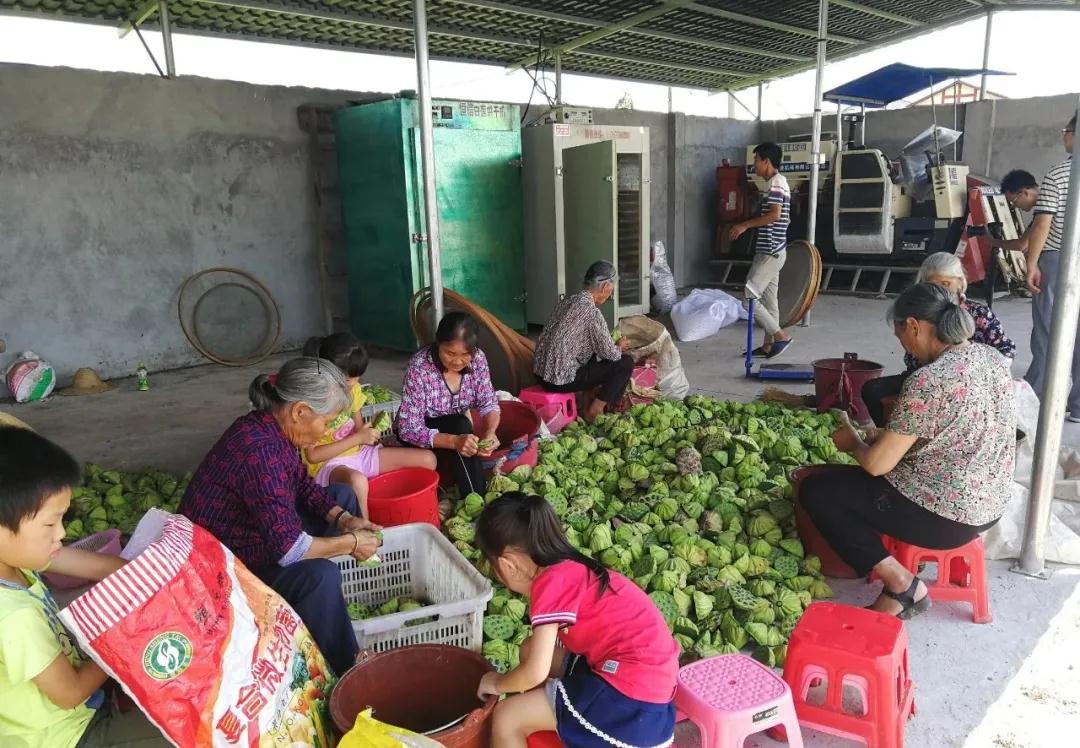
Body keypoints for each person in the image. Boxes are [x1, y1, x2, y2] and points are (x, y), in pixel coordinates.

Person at [801, 284, 1015, 619]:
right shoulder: (990, 359)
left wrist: (853, 442)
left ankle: (902, 585)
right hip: (992, 504)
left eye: (901, 335)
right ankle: (899, 582)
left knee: (819, 491)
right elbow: (957, 429)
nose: (904, 345)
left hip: (945, 518)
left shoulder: (929, 380)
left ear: (914, 325)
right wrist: (887, 435)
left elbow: (875, 465)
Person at [179, 357, 381, 676]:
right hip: (225, 564)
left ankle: (330, 613)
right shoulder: (260, 453)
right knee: (320, 577)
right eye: (327, 422)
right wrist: (350, 543)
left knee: (342, 496)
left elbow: (301, 483)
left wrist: (344, 519)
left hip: (254, 530)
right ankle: (347, 668)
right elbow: (288, 550)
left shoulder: (271, 429)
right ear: (300, 411)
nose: (328, 431)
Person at [0, 426, 170, 747]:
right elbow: (71, 693)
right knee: (184, 734)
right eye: (50, 523)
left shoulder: (17, 558)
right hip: (68, 736)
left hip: (81, 706)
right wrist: (119, 638)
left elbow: (101, 565)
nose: (61, 533)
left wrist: (155, 584)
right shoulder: (13, 617)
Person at [474, 492, 678, 748]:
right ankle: (553, 718)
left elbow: (535, 673)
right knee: (528, 648)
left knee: (507, 716)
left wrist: (495, 682)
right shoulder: (570, 568)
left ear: (508, 564)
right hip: (651, 687)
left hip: (628, 705)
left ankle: (539, 719)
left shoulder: (548, 585)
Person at [860, 252, 1015, 427]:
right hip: (926, 375)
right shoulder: (918, 316)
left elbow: (1005, 350)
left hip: (970, 379)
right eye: (935, 285)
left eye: (946, 284)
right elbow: (913, 358)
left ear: (961, 282)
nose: (943, 289)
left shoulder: (979, 315)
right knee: (874, 390)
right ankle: (888, 434)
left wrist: (972, 373)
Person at [301, 333, 436, 519]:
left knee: (428, 460)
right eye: (348, 380)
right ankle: (366, 529)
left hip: (360, 453)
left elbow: (358, 427)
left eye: (357, 379)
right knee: (358, 481)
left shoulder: (353, 389)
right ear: (326, 372)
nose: (354, 385)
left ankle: (395, 507)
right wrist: (357, 439)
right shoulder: (312, 402)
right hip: (328, 465)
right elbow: (313, 455)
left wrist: (370, 433)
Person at [396, 312, 501, 496]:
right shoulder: (420, 367)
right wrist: (454, 441)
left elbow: (488, 403)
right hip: (421, 436)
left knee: (461, 425)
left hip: (457, 430)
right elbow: (408, 429)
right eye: (450, 353)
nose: (457, 361)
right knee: (459, 425)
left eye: (465, 355)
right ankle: (476, 498)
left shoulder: (478, 360)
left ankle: (475, 498)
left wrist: (491, 432)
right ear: (438, 343)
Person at [533, 260, 635, 422]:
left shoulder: (567, 302)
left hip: (540, 374)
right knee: (625, 363)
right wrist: (619, 346)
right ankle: (596, 409)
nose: (611, 294)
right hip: (559, 381)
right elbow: (611, 354)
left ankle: (587, 401)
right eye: (611, 290)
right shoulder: (591, 312)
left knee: (595, 355)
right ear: (604, 287)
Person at [1024, 115, 1078, 420]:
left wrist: (1031, 262)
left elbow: (1043, 222)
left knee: (1047, 328)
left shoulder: (1059, 174)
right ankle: (1079, 406)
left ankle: (1035, 396)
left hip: (1059, 258)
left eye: (1065, 132)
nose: (1063, 137)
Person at [728, 141, 792, 359]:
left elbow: (775, 214)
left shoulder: (776, 182)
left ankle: (780, 336)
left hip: (770, 252)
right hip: (775, 250)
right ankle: (768, 345)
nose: (754, 165)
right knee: (769, 301)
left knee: (749, 297)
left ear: (766, 161)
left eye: (756, 160)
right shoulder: (777, 183)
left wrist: (744, 225)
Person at [988, 169, 1040, 255]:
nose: (1015, 206)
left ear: (1023, 193)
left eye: (1014, 201)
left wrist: (991, 241)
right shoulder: (1043, 207)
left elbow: (1021, 245)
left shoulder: (1045, 207)